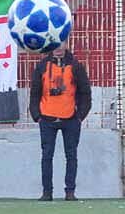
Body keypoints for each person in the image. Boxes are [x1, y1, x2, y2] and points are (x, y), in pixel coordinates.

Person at [29, 41, 91, 201]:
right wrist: (37, 116)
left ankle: (70, 192)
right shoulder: (42, 66)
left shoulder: (76, 66)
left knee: (71, 156)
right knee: (46, 156)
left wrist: (79, 116)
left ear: (66, 45)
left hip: (70, 119)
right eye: (55, 45)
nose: (58, 48)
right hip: (46, 118)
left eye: (61, 44)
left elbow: (85, 92)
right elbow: (34, 92)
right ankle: (47, 192)